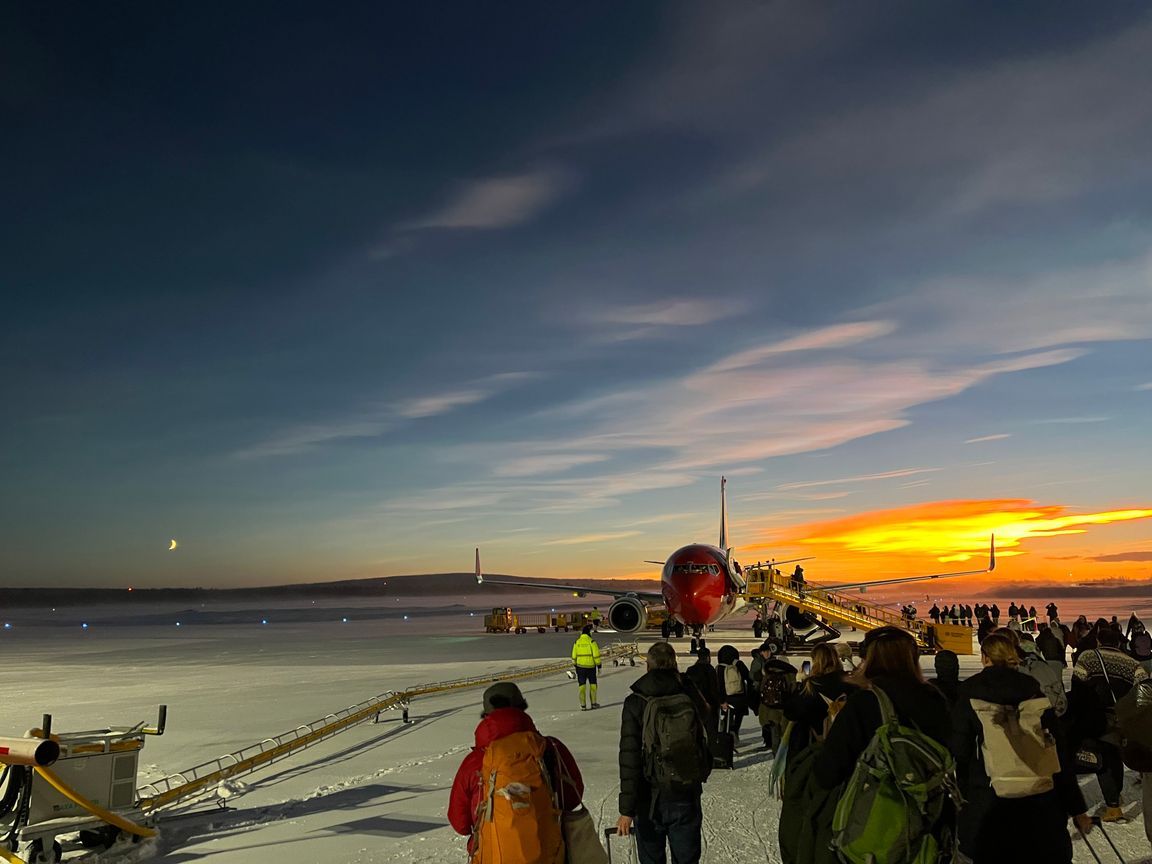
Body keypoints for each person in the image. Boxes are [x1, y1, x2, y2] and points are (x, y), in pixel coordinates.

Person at [811, 628, 954, 859]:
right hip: (929, 824)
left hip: (875, 827)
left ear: (870, 658)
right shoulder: (936, 699)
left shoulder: (865, 703)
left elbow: (826, 774)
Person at [949, 634, 1091, 863]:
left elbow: (960, 750)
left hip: (990, 800)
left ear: (985, 657)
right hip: (1041, 800)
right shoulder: (1032, 689)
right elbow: (1058, 751)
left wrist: (965, 798)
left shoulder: (970, 691)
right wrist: (1076, 807)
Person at [449, 682, 584, 863]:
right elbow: (573, 798)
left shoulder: (474, 762)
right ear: (522, 708)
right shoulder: (551, 748)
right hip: (549, 855)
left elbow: (461, 824)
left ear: (487, 714)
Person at [617, 641, 709, 864]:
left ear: (648, 666)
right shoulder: (689, 693)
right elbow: (705, 734)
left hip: (649, 799)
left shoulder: (635, 701)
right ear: (674, 664)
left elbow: (630, 758)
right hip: (685, 791)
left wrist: (627, 809)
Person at [1070, 626, 1149, 821]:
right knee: (1114, 755)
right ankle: (1115, 798)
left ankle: (1113, 805)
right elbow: (1144, 692)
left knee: (1101, 757)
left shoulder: (1087, 657)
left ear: (1098, 641)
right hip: (1121, 717)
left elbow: (1077, 686)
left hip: (1094, 715)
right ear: (1119, 643)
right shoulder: (1132, 663)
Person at [783, 643, 854, 756]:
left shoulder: (812, 685)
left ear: (816, 661)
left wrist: (799, 683)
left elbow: (791, 712)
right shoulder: (852, 680)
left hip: (820, 746)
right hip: (849, 742)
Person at [751, 641, 798, 754]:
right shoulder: (789, 674)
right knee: (785, 733)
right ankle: (785, 754)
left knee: (774, 733)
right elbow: (793, 690)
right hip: (784, 709)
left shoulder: (769, 673)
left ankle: (776, 754)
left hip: (770, 708)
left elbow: (762, 689)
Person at [683, 647, 721, 743]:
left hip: (695, 704)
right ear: (708, 657)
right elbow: (714, 688)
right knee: (711, 730)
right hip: (710, 703)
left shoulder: (691, 670)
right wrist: (719, 701)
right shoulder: (710, 669)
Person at [715, 644, 752, 741]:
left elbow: (720, 685)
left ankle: (728, 736)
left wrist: (722, 700)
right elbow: (748, 677)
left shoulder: (720, 667)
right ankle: (735, 731)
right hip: (740, 697)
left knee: (728, 717)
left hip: (727, 697)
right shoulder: (738, 664)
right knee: (739, 716)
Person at [571, 624, 602, 710]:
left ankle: (583, 705)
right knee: (593, 686)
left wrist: (575, 664)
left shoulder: (577, 642)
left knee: (582, 686)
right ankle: (593, 703)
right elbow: (596, 655)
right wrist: (599, 665)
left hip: (580, 668)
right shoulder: (592, 642)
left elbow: (574, 655)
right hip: (591, 668)